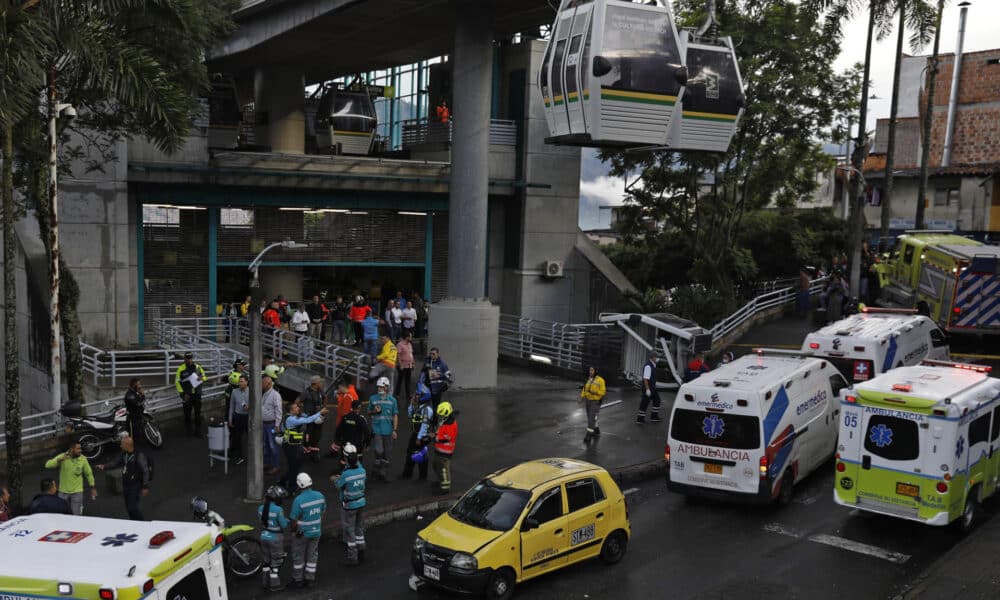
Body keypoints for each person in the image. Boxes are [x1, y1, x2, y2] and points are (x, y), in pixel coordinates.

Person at [97, 435, 150, 521]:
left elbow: (145, 471)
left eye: (122, 444)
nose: (120, 446)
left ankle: (142, 523)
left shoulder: (138, 455)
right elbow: (115, 462)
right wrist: (104, 466)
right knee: (128, 508)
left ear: (127, 445)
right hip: (125, 484)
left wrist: (145, 486)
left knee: (132, 507)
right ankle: (133, 522)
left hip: (135, 485)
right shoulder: (123, 454)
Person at [280, 401, 328, 492]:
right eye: (295, 407)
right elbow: (308, 420)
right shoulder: (291, 419)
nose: (298, 408)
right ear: (291, 411)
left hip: (295, 445)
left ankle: (283, 480)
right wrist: (320, 413)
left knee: (295, 466)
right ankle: (291, 488)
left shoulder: (292, 416)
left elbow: (309, 418)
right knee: (294, 467)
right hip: (290, 447)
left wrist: (320, 416)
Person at [289, 473, 326, 587]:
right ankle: (310, 579)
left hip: (302, 533)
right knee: (312, 555)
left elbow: (294, 519)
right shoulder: (320, 496)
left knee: (298, 556)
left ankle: (298, 580)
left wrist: (294, 530)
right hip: (316, 532)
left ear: (299, 485)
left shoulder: (298, 500)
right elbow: (322, 513)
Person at [333, 443, 367, 566]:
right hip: (361, 503)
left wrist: (336, 479)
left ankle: (353, 557)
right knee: (359, 528)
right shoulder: (362, 471)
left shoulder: (346, 474)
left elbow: (339, 485)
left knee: (350, 530)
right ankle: (361, 549)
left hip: (350, 506)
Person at [44, 441, 97, 515]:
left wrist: (92, 487)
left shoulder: (83, 459)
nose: (80, 450)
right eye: (78, 449)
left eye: (80, 448)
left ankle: (79, 510)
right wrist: (59, 460)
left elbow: (89, 473)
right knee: (62, 514)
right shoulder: (63, 456)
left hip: (77, 491)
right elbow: (47, 465)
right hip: (63, 491)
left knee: (76, 515)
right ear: (72, 449)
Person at [259, 484, 290, 592]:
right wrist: (287, 520)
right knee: (275, 562)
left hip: (264, 536)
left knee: (266, 560)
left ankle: (265, 582)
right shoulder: (278, 509)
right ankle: (274, 585)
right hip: (275, 539)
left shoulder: (261, 508)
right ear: (276, 498)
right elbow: (284, 525)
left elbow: (262, 521)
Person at [401, 382, 433, 480]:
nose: (415, 396)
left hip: (421, 436)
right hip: (415, 434)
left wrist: (419, 438)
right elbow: (410, 415)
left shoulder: (427, 410)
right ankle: (407, 474)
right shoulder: (417, 406)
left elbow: (424, 425)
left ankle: (422, 477)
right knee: (410, 453)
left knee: (421, 455)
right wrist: (411, 404)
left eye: (418, 394)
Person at [367, 377, 398, 481]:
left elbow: (395, 415)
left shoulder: (392, 400)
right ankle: (377, 463)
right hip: (377, 429)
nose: (379, 388)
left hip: (388, 430)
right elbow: (369, 412)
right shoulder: (373, 398)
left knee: (387, 452)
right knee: (378, 449)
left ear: (386, 387)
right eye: (378, 386)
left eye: (381, 387)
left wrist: (394, 430)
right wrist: (374, 411)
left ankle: (382, 471)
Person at [332, 399, 370, 472]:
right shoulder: (361, 419)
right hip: (357, 445)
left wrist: (337, 441)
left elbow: (338, 430)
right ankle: (357, 474)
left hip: (345, 444)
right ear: (359, 407)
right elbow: (366, 433)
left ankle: (343, 473)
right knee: (358, 459)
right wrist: (367, 444)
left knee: (343, 459)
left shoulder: (345, 417)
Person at [174, 352, 206, 438]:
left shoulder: (197, 367)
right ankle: (188, 431)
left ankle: (198, 431)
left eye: (190, 358)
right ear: (184, 359)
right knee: (187, 414)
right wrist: (182, 393)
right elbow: (177, 382)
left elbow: (204, 377)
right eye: (187, 358)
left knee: (197, 414)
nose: (189, 360)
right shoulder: (181, 369)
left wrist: (201, 378)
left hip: (197, 394)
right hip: (187, 395)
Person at [297, 375, 328, 461]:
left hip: (319, 417)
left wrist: (324, 407)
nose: (321, 383)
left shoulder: (320, 390)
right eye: (320, 382)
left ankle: (313, 449)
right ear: (315, 383)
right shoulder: (306, 392)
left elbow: (325, 397)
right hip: (310, 417)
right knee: (308, 433)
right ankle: (306, 449)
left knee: (317, 434)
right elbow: (297, 402)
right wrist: (301, 413)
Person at [433, 402, 457, 495]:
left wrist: (435, 438)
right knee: (436, 466)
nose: (440, 416)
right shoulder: (445, 421)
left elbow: (445, 439)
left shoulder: (450, 425)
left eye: (441, 415)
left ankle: (445, 488)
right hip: (439, 451)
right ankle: (441, 481)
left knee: (444, 470)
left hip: (445, 453)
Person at [262, 374, 283, 475]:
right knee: (266, 445)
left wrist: (277, 424)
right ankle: (267, 463)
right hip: (264, 424)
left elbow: (279, 410)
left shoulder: (275, 395)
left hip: (272, 424)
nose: (261, 384)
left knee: (273, 445)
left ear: (269, 383)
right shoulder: (265, 393)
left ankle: (276, 466)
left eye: (263, 382)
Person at [580, 366, 606, 444]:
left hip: (595, 401)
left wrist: (596, 393)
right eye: (590, 370)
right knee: (590, 418)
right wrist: (581, 397)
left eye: (592, 370)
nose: (590, 372)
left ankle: (589, 435)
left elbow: (603, 392)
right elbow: (584, 389)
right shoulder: (588, 379)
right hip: (588, 401)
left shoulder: (600, 380)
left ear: (595, 371)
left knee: (591, 419)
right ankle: (596, 429)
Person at [229, 374, 250, 464]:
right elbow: (231, 406)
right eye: (239, 381)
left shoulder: (252, 391)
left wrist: (250, 407)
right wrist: (230, 418)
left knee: (251, 437)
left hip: (248, 417)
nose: (239, 383)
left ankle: (253, 455)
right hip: (238, 417)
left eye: (241, 381)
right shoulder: (234, 391)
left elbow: (258, 405)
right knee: (237, 437)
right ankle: (240, 456)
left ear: (247, 382)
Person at [637, 355, 661, 424]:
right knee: (645, 403)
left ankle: (654, 417)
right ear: (652, 357)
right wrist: (647, 389)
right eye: (656, 357)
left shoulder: (653, 365)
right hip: (648, 388)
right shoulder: (648, 366)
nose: (658, 359)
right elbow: (645, 379)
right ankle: (640, 419)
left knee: (657, 400)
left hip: (652, 387)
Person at [123, 377, 146, 444]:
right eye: (138, 384)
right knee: (133, 436)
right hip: (132, 419)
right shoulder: (130, 394)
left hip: (137, 416)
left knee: (138, 435)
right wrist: (143, 395)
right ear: (134, 385)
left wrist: (141, 395)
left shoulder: (135, 392)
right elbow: (137, 404)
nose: (140, 386)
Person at [396, 331, 415, 402]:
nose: (411, 338)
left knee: (408, 381)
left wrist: (413, 363)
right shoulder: (400, 344)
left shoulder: (409, 344)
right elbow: (398, 355)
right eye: (410, 336)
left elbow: (411, 354)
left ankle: (408, 394)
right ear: (407, 337)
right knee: (400, 380)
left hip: (409, 365)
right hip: (403, 365)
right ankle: (397, 394)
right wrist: (400, 365)